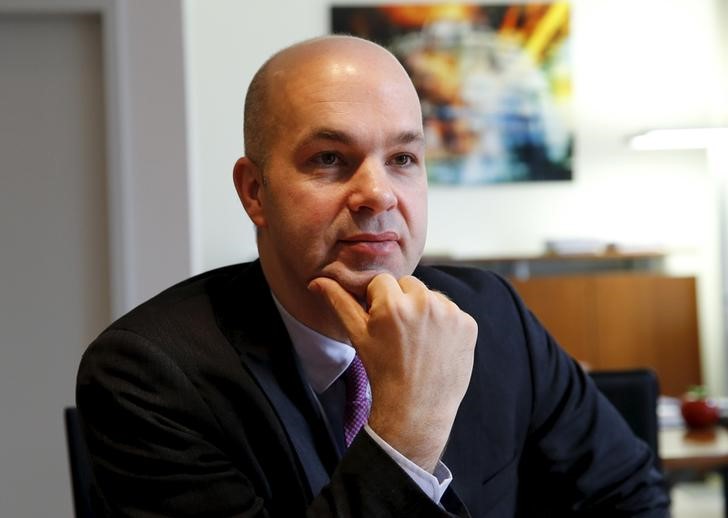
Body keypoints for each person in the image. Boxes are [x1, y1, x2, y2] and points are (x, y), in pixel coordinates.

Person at [77, 35, 669, 517]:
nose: (378, 193)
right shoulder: (149, 374)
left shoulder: (493, 313)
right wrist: (407, 430)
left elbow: (629, 498)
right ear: (255, 192)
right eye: (330, 159)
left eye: (403, 159)